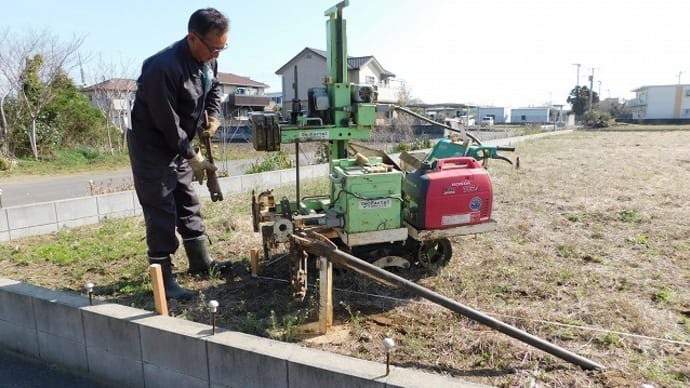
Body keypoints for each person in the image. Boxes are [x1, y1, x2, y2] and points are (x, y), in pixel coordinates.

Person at [128, 8, 232, 300]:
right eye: (214, 48)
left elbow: (214, 88)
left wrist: (213, 116)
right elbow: (166, 122)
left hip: (180, 143)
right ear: (193, 38)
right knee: (161, 207)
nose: (217, 55)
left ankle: (201, 261)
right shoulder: (161, 67)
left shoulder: (208, 60)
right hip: (152, 146)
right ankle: (163, 279)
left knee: (187, 199)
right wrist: (193, 155)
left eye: (222, 48)